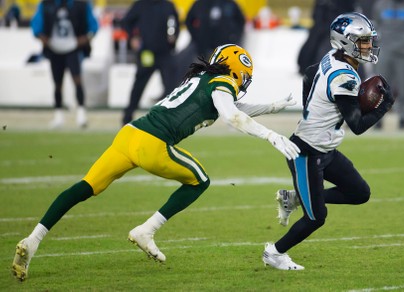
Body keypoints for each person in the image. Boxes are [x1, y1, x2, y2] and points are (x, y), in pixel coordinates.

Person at [12, 44, 301, 281]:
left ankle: (33, 239)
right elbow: (231, 116)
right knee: (199, 180)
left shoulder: (202, 80)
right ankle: (145, 230)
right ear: (235, 68)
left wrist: (273, 106)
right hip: (153, 144)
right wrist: (271, 136)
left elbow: (233, 106)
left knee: (86, 186)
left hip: (129, 135)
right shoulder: (223, 82)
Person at [262, 12, 396, 271]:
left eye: (369, 40)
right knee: (316, 218)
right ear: (346, 42)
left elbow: (310, 74)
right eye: (364, 41)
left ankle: (297, 198)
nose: (369, 46)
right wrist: (385, 106)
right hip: (305, 152)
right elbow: (357, 125)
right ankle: (274, 252)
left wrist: (310, 110)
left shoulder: (332, 58)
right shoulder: (345, 77)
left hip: (326, 149)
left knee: (359, 193)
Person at [30, 0, 99, 129]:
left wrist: (85, 38)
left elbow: (93, 26)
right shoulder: (46, 4)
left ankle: (81, 113)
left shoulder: (81, 5)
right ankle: (58, 115)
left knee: (77, 80)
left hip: (74, 48)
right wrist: (42, 38)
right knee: (57, 83)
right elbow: (36, 26)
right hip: (54, 49)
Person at [121, 0, 180, 125]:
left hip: (165, 52)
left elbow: (176, 24)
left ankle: (172, 119)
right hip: (147, 52)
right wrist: (133, 37)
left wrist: (174, 38)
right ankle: (127, 116)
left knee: (171, 86)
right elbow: (126, 22)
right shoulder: (141, 4)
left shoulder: (168, 5)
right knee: (139, 85)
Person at [372, 0, 404, 130]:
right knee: (380, 86)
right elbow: (376, 25)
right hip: (385, 49)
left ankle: (403, 118)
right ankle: (377, 118)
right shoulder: (380, 5)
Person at [174, 0, 245, 82]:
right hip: (202, 49)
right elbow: (188, 20)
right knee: (199, 77)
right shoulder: (199, 3)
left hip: (223, 51)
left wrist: (233, 38)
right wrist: (196, 37)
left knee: (220, 77)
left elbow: (240, 22)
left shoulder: (230, 4)